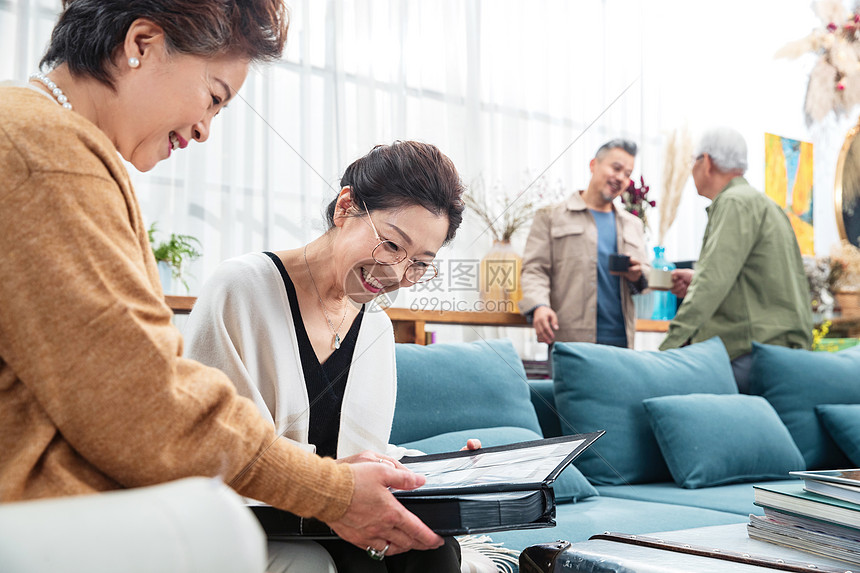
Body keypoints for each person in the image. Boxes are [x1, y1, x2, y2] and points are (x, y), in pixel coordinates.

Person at [0, 2, 446, 571]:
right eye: (213, 95)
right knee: (225, 531)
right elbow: (146, 407)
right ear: (142, 44)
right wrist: (331, 490)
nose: (206, 130)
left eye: (420, 262)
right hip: (44, 510)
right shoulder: (47, 154)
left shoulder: (49, 141)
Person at [183, 141, 476, 572]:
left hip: (329, 512)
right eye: (393, 245)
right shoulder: (241, 289)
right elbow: (215, 452)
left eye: (419, 263)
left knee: (435, 549)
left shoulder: (374, 325)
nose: (396, 275)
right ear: (346, 206)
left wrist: (450, 472)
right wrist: (335, 484)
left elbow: (355, 450)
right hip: (245, 513)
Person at [659, 127, 813, 392]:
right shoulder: (765, 204)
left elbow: (710, 284)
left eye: (692, 161)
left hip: (749, 354)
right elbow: (760, 280)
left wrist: (666, 350)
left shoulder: (733, 203)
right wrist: (697, 278)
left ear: (706, 162)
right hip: (780, 350)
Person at [519, 139, 649, 349]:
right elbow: (535, 270)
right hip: (569, 341)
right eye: (616, 168)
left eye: (627, 174)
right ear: (593, 165)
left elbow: (646, 275)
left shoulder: (633, 224)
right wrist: (539, 306)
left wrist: (638, 275)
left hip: (621, 343)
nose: (621, 178)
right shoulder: (550, 216)